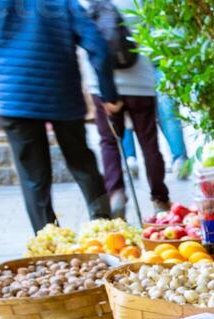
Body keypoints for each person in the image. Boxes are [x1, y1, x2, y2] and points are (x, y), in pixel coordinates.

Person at [0, 0, 120, 231]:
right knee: (82, 163)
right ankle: (105, 230)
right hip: (61, 94)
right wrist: (108, 94)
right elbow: (98, 45)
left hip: (14, 95)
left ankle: (49, 242)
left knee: (34, 179)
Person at [88, 0, 169, 215]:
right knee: (149, 142)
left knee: (109, 142)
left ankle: (116, 194)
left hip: (103, 86)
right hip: (141, 83)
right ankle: (159, 198)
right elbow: (159, 33)